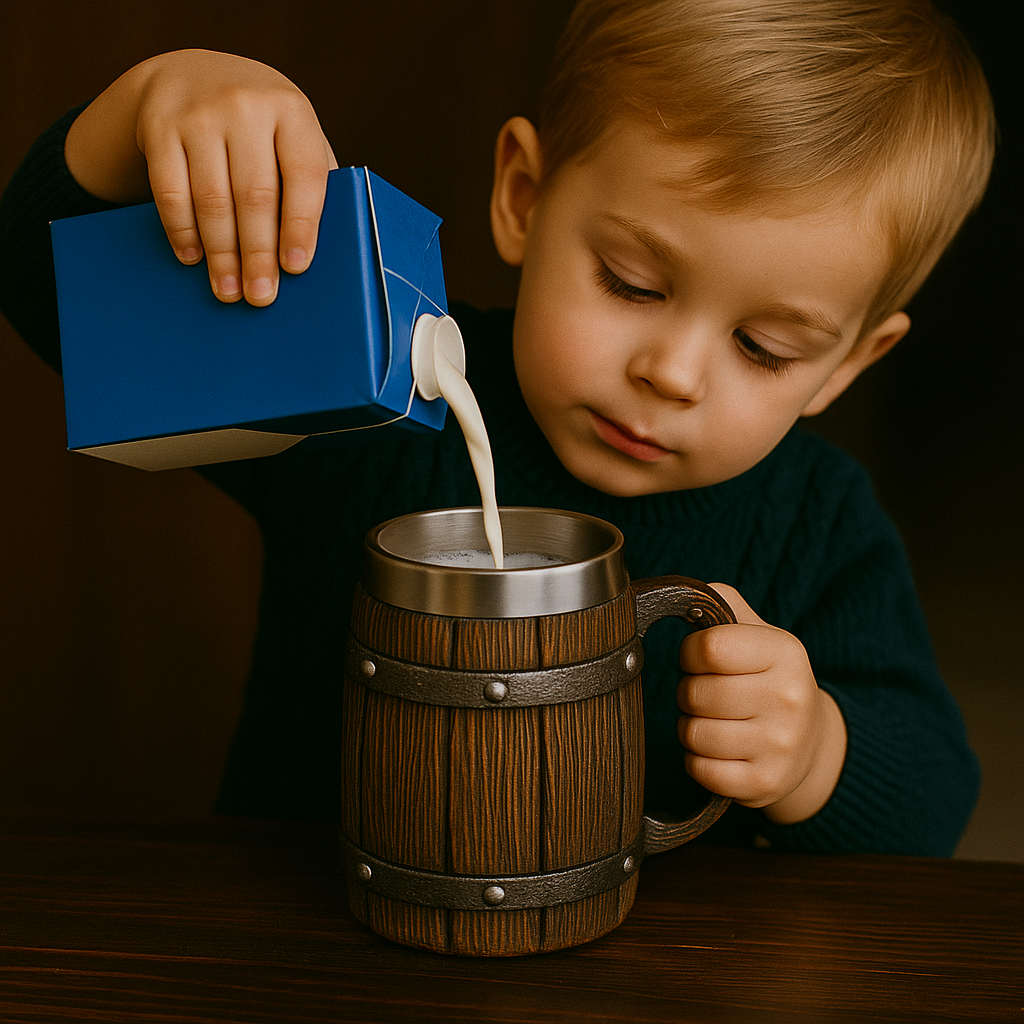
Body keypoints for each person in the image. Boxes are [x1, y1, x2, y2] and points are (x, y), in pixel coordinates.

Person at [0, 0, 995, 854]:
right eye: (630, 283)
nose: (672, 373)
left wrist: (817, 751)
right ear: (523, 197)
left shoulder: (814, 521)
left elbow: (934, 795)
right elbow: (46, 297)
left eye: (766, 347)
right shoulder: (382, 387)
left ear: (848, 363)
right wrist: (148, 102)